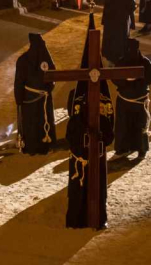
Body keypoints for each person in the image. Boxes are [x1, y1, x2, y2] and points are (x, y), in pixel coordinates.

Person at [66, 14, 115, 229]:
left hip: (97, 152)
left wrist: (100, 138)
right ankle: (77, 218)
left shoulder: (101, 96)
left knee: (96, 187)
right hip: (81, 154)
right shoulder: (78, 97)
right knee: (80, 187)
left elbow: (109, 126)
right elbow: (72, 129)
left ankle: (97, 217)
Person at [13, 34, 57, 155]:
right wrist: (48, 90)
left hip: (29, 97)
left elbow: (19, 82)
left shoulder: (22, 60)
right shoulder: (46, 59)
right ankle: (45, 146)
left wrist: (19, 99)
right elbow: (53, 75)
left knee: (31, 122)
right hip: (44, 98)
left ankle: (32, 147)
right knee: (43, 121)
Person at [112, 39, 151, 160]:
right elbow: (114, 77)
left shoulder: (145, 62)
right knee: (123, 126)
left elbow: (150, 78)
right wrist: (125, 81)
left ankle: (142, 150)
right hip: (124, 100)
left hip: (140, 100)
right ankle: (122, 148)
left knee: (141, 125)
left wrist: (137, 80)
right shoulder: (121, 62)